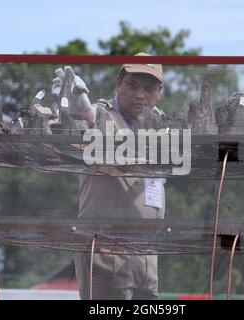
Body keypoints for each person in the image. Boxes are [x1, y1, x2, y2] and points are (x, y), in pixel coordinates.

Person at [72, 53, 166, 300]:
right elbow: (83, 123)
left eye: (149, 88)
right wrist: (79, 108)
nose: (140, 95)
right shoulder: (100, 115)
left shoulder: (158, 124)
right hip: (107, 250)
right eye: (132, 85)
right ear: (118, 83)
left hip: (146, 253)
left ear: (160, 91)